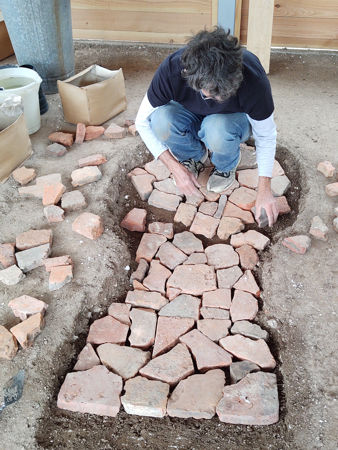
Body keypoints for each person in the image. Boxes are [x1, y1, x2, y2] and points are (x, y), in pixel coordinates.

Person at [135, 26, 278, 226]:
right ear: (192, 78)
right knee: (161, 120)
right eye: (211, 93)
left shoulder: (254, 81)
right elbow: (141, 122)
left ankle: (225, 166)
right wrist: (174, 167)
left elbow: (266, 136)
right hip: (189, 114)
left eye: (224, 94)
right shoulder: (173, 71)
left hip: (229, 123)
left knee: (216, 128)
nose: (217, 99)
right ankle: (194, 157)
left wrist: (264, 190)